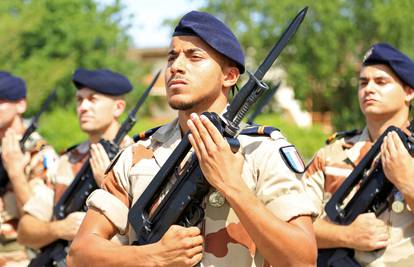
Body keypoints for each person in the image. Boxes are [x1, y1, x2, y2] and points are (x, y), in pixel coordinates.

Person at [68, 10, 318, 267]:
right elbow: (79, 255)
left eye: (194, 56)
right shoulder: (138, 153)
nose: (176, 66)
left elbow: (302, 260)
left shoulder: (262, 151)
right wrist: (151, 256)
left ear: (229, 76)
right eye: (171, 57)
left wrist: (232, 185)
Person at [302, 43, 414, 266]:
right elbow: (291, 228)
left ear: (409, 92)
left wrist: (407, 182)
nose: (369, 89)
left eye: (381, 82)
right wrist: (348, 235)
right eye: (363, 83)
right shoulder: (331, 155)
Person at [17, 68, 133, 250]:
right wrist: (59, 229)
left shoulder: (137, 159)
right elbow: (25, 230)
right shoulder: (67, 160)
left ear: (118, 107)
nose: (83, 107)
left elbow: (143, 235)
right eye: (79, 99)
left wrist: (108, 184)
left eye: (93, 99)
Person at [0, 72, 57, 266]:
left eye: (0, 100)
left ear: (21, 105)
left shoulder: (40, 154)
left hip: (21, 257)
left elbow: (42, 218)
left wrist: (16, 174)